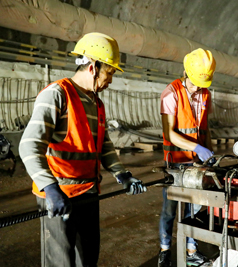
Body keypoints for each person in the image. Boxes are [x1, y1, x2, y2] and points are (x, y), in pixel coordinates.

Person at [19, 32, 147, 267]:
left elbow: (104, 146)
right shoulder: (57, 94)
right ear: (93, 67)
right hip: (60, 196)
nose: (110, 80)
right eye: (109, 72)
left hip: (88, 192)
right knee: (61, 261)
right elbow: (29, 146)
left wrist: (122, 174)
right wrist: (50, 188)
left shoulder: (96, 103)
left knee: (87, 258)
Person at [158, 48, 215, 267]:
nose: (198, 87)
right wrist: (196, 147)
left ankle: (192, 250)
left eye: (202, 83)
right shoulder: (170, 94)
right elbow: (170, 132)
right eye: (194, 82)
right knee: (169, 209)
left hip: (197, 163)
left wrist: (208, 154)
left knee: (195, 208)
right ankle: (165, 250)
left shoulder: (205, 93)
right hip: (175, 162)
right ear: (185, 73)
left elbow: (205, 127)